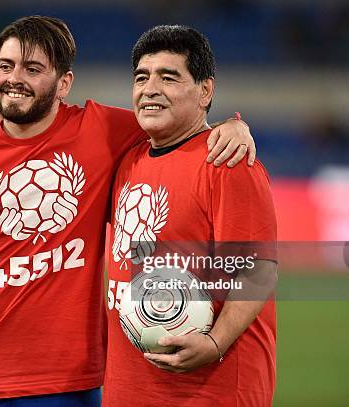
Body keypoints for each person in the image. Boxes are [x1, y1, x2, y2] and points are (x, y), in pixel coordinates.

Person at [0, 16, 256, 407]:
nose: (15, 78)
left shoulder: (102, 131)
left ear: (64, 83)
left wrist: (233, 124)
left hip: (70, 384)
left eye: (32, 69)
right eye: (6, 66)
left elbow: (177, 121)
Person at [104, 25, 277, 406]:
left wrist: (214, 343)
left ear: (205, 91)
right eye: (141, 77)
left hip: (208, 390)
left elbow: (258, 269)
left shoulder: (227, 162)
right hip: (129, 388)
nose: (150, 88)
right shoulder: (128, 160)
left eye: (169, 77)